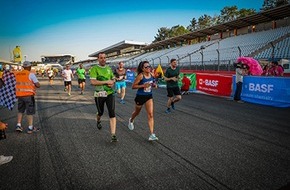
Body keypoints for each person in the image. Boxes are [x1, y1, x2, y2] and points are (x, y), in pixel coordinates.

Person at [90, 52, 117, 142]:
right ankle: (98, 120)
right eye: (101, 58)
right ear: (98, 59)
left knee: (112, 112)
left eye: (105, 58)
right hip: (99, 94)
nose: (103, 59)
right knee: (100, 112)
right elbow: (93, 82)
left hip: (109, 93)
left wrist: (112, 82)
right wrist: (106, 82)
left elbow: (113, 78)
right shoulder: (94, 69)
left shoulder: (109, 69)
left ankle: (113, 134)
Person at [128, 61, 158, 141]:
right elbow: (133, 86)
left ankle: (152, 134)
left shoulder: (152, 74)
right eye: (146, 67)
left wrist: (155, 85)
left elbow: (154, 82)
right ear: (142, 69)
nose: (148, 68)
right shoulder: (140, 76)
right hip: (140, 97)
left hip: (149, 96)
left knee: (151, 114)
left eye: (149, 66)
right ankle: (131, 120)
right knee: (137, 112)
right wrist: (143, 85)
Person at [14, 61, 40, 133]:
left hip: (19, 95)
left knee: (20, 110)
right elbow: (38, 85)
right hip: (28, 95)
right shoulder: (31, 74)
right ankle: (30, 128)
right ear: (29, 67)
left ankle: (18, 125)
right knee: (29, 112)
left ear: (23, 67)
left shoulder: (18, 74)